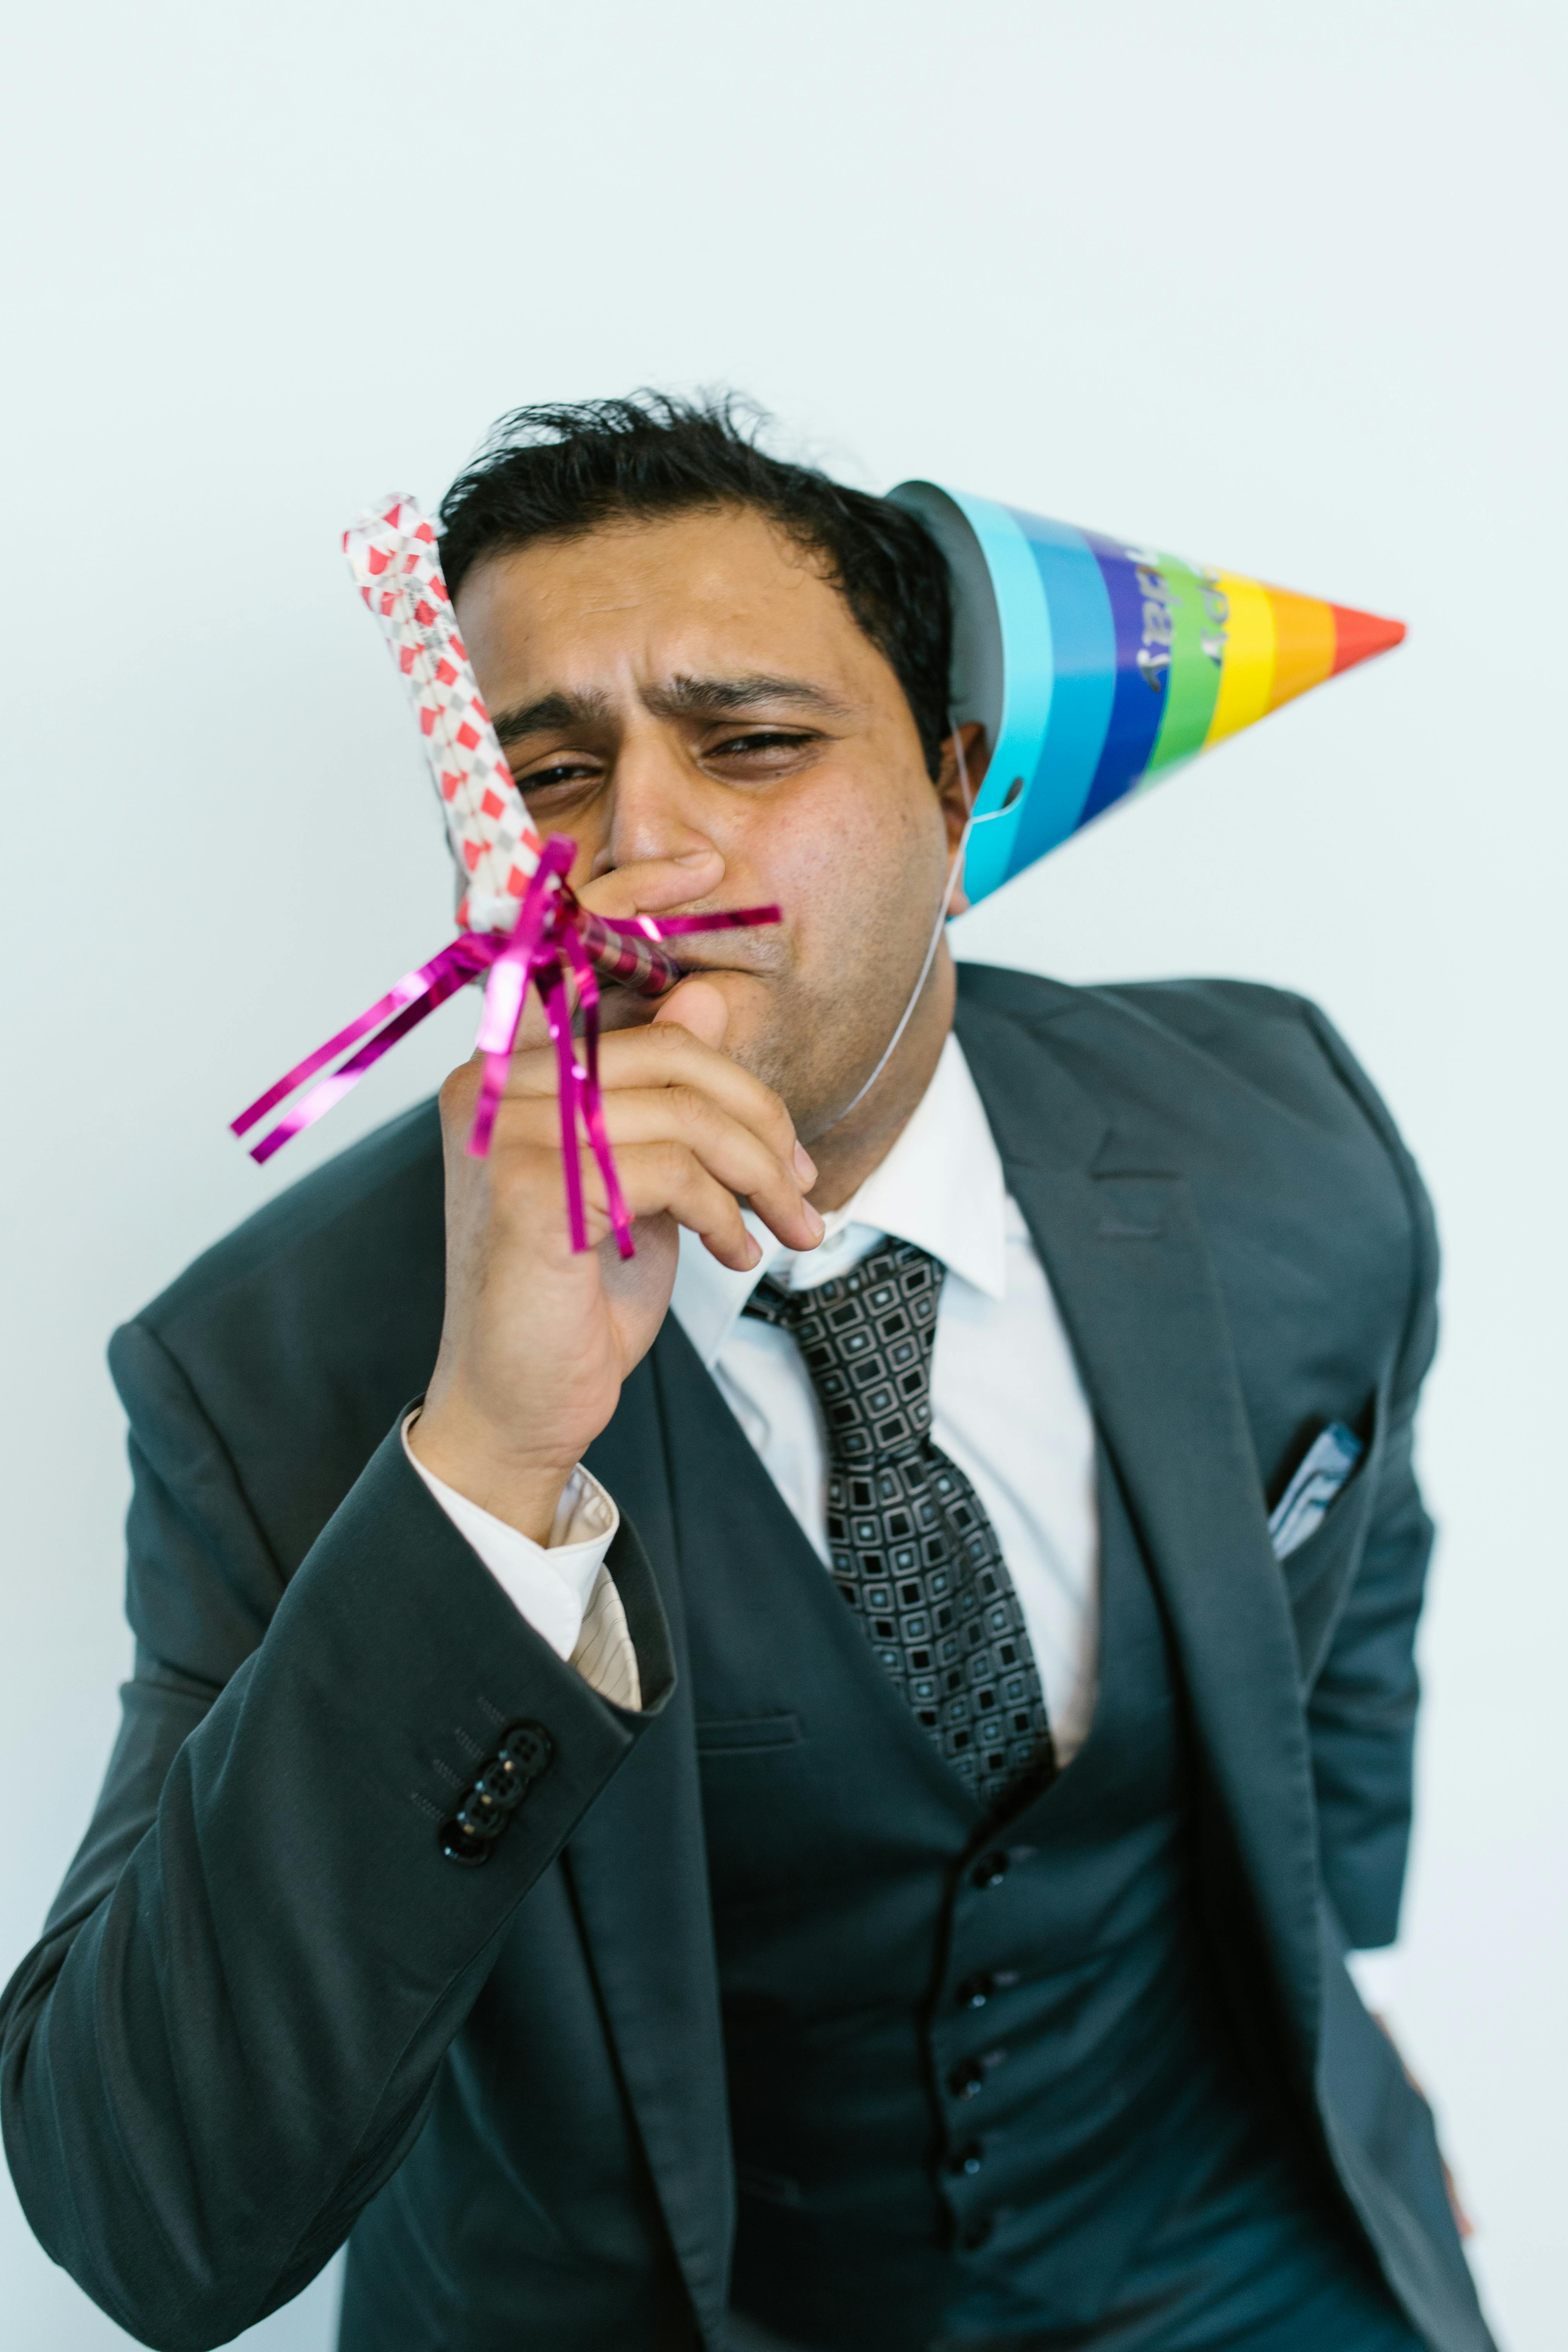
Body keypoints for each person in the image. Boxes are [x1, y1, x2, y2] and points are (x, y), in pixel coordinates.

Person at [1, 396, 1492, 2352]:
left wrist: (1349, 1998)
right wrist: (493, 1454)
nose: (638, 845)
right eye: (550, 773)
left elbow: (1354, 1577)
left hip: (1243, 2251)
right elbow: (152, 2214)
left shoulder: (1271, 1129)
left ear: (962, 789)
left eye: (752, 741)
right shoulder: (264, 1370)